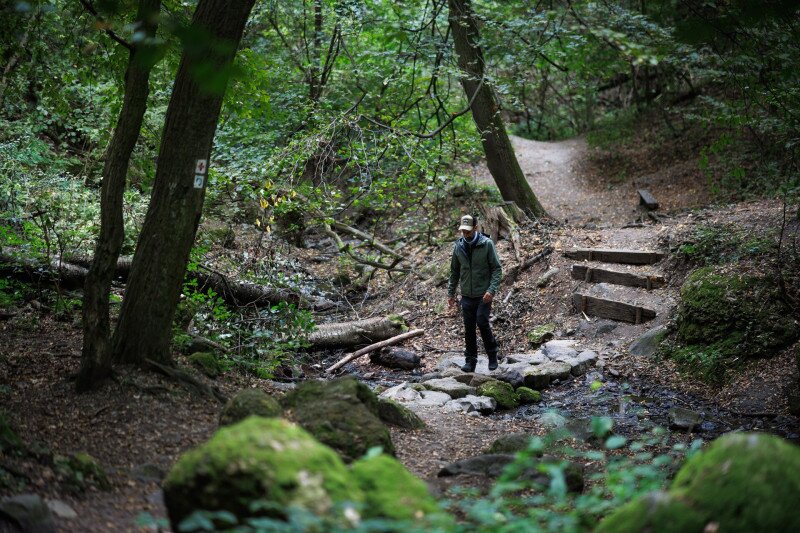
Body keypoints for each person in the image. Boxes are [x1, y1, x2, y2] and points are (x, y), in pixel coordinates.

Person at [447, 214, 502, 372]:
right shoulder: (458, 246)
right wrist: (451, 294)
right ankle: (470, 360)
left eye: (468, 231)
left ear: (476, 228)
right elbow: (454, 272)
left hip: (483, 294)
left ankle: (492, 354)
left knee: (482, 322)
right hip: (466, 295)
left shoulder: (487, 244)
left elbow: (497, 269)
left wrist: (491, 290)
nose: (465, 234)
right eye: (463, 231)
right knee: (468, 328)